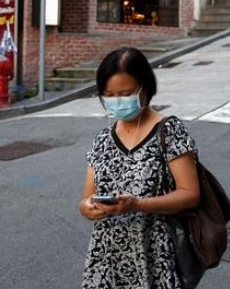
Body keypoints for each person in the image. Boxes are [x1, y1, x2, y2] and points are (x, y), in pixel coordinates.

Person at [79, 47, 200, 288]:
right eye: (109, 94)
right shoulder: (103, 139)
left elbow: (191, 194)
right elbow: (86, 197)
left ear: (146, 89)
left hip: (155, 257)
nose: (117, 101)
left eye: (125, 93)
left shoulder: (169, 131)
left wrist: (137, 204)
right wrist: (87, 208)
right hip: (105, 260)